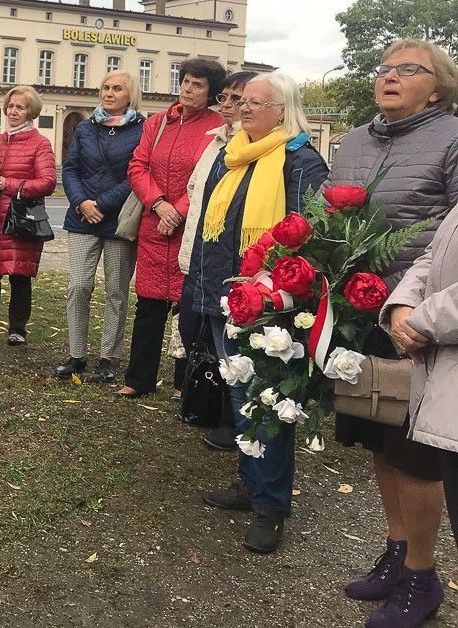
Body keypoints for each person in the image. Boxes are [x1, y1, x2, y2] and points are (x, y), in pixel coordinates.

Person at [330, 40, 458, 626]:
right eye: (384, 68)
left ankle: (423, 576)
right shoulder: (356, 139)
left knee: (416, 456)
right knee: (378, 437)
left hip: (419, 325)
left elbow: (451, 238)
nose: (390, 76)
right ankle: (397, 549)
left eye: (408, 69)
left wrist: (417, 308)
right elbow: (333, 217)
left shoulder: (452, 137)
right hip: (359, 311)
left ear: (437, 87)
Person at [193, 72, 329, 555]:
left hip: (273, 303)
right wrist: (207, 291)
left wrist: (274, 294)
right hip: (224, 295)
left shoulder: (299, 162)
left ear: (282, 110)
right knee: (237, 390)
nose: (244, 109)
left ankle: (271, 505)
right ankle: (249, 483)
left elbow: (308, 236)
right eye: (241, 101)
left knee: (269, 398)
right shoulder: (233, 156)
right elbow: (213, 230)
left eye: (256, 102)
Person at [117, 57, 226, 397]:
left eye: (197, 85)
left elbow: (209, 176)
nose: (188, 89)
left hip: (189, 227)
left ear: (211, 92)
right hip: (154, 223)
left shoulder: (217, 127)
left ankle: (184, 382)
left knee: (188, 307)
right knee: (148, 305)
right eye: (186, 82)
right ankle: (138, 379)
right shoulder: (158, 122)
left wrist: (178, 211)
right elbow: (138, 166)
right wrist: (160, 204)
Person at [383, 201, 458, 627]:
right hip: (439, 373)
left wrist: (420, 320)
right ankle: (414, 571)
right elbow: (434, 254)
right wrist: (402, 308)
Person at [179, 70, 257, 448]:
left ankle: (234, 421)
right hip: (203, 254)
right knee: (198, 332)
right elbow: (197, 194)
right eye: (223, 98)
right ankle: (215, 410)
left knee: (233, 345)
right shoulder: (216, 144)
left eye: (235, 98)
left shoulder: (262, 151)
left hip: (236, 266)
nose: (226, 106)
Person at [54, 71, 145, 381]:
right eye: (105, 87)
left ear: (130, 95)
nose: (109, 93)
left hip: (119, 220)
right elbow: (70, 169)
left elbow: (135, 176)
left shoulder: (143, 130)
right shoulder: (85, 127)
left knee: (117, 291)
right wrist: (82, 202)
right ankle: (76, 354)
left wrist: (102, 205)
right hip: (82, 218)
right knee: (78, 285)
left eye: (117, 88)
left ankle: (109, 357)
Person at [0, 85, 57, 345]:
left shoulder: (40, 143)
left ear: (31, 112)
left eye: (20, 107)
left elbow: (48, 182)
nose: (13, 111)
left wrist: (6, 185)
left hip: (20, 220)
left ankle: (17, 329)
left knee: (20, 276)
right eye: (11, 106)